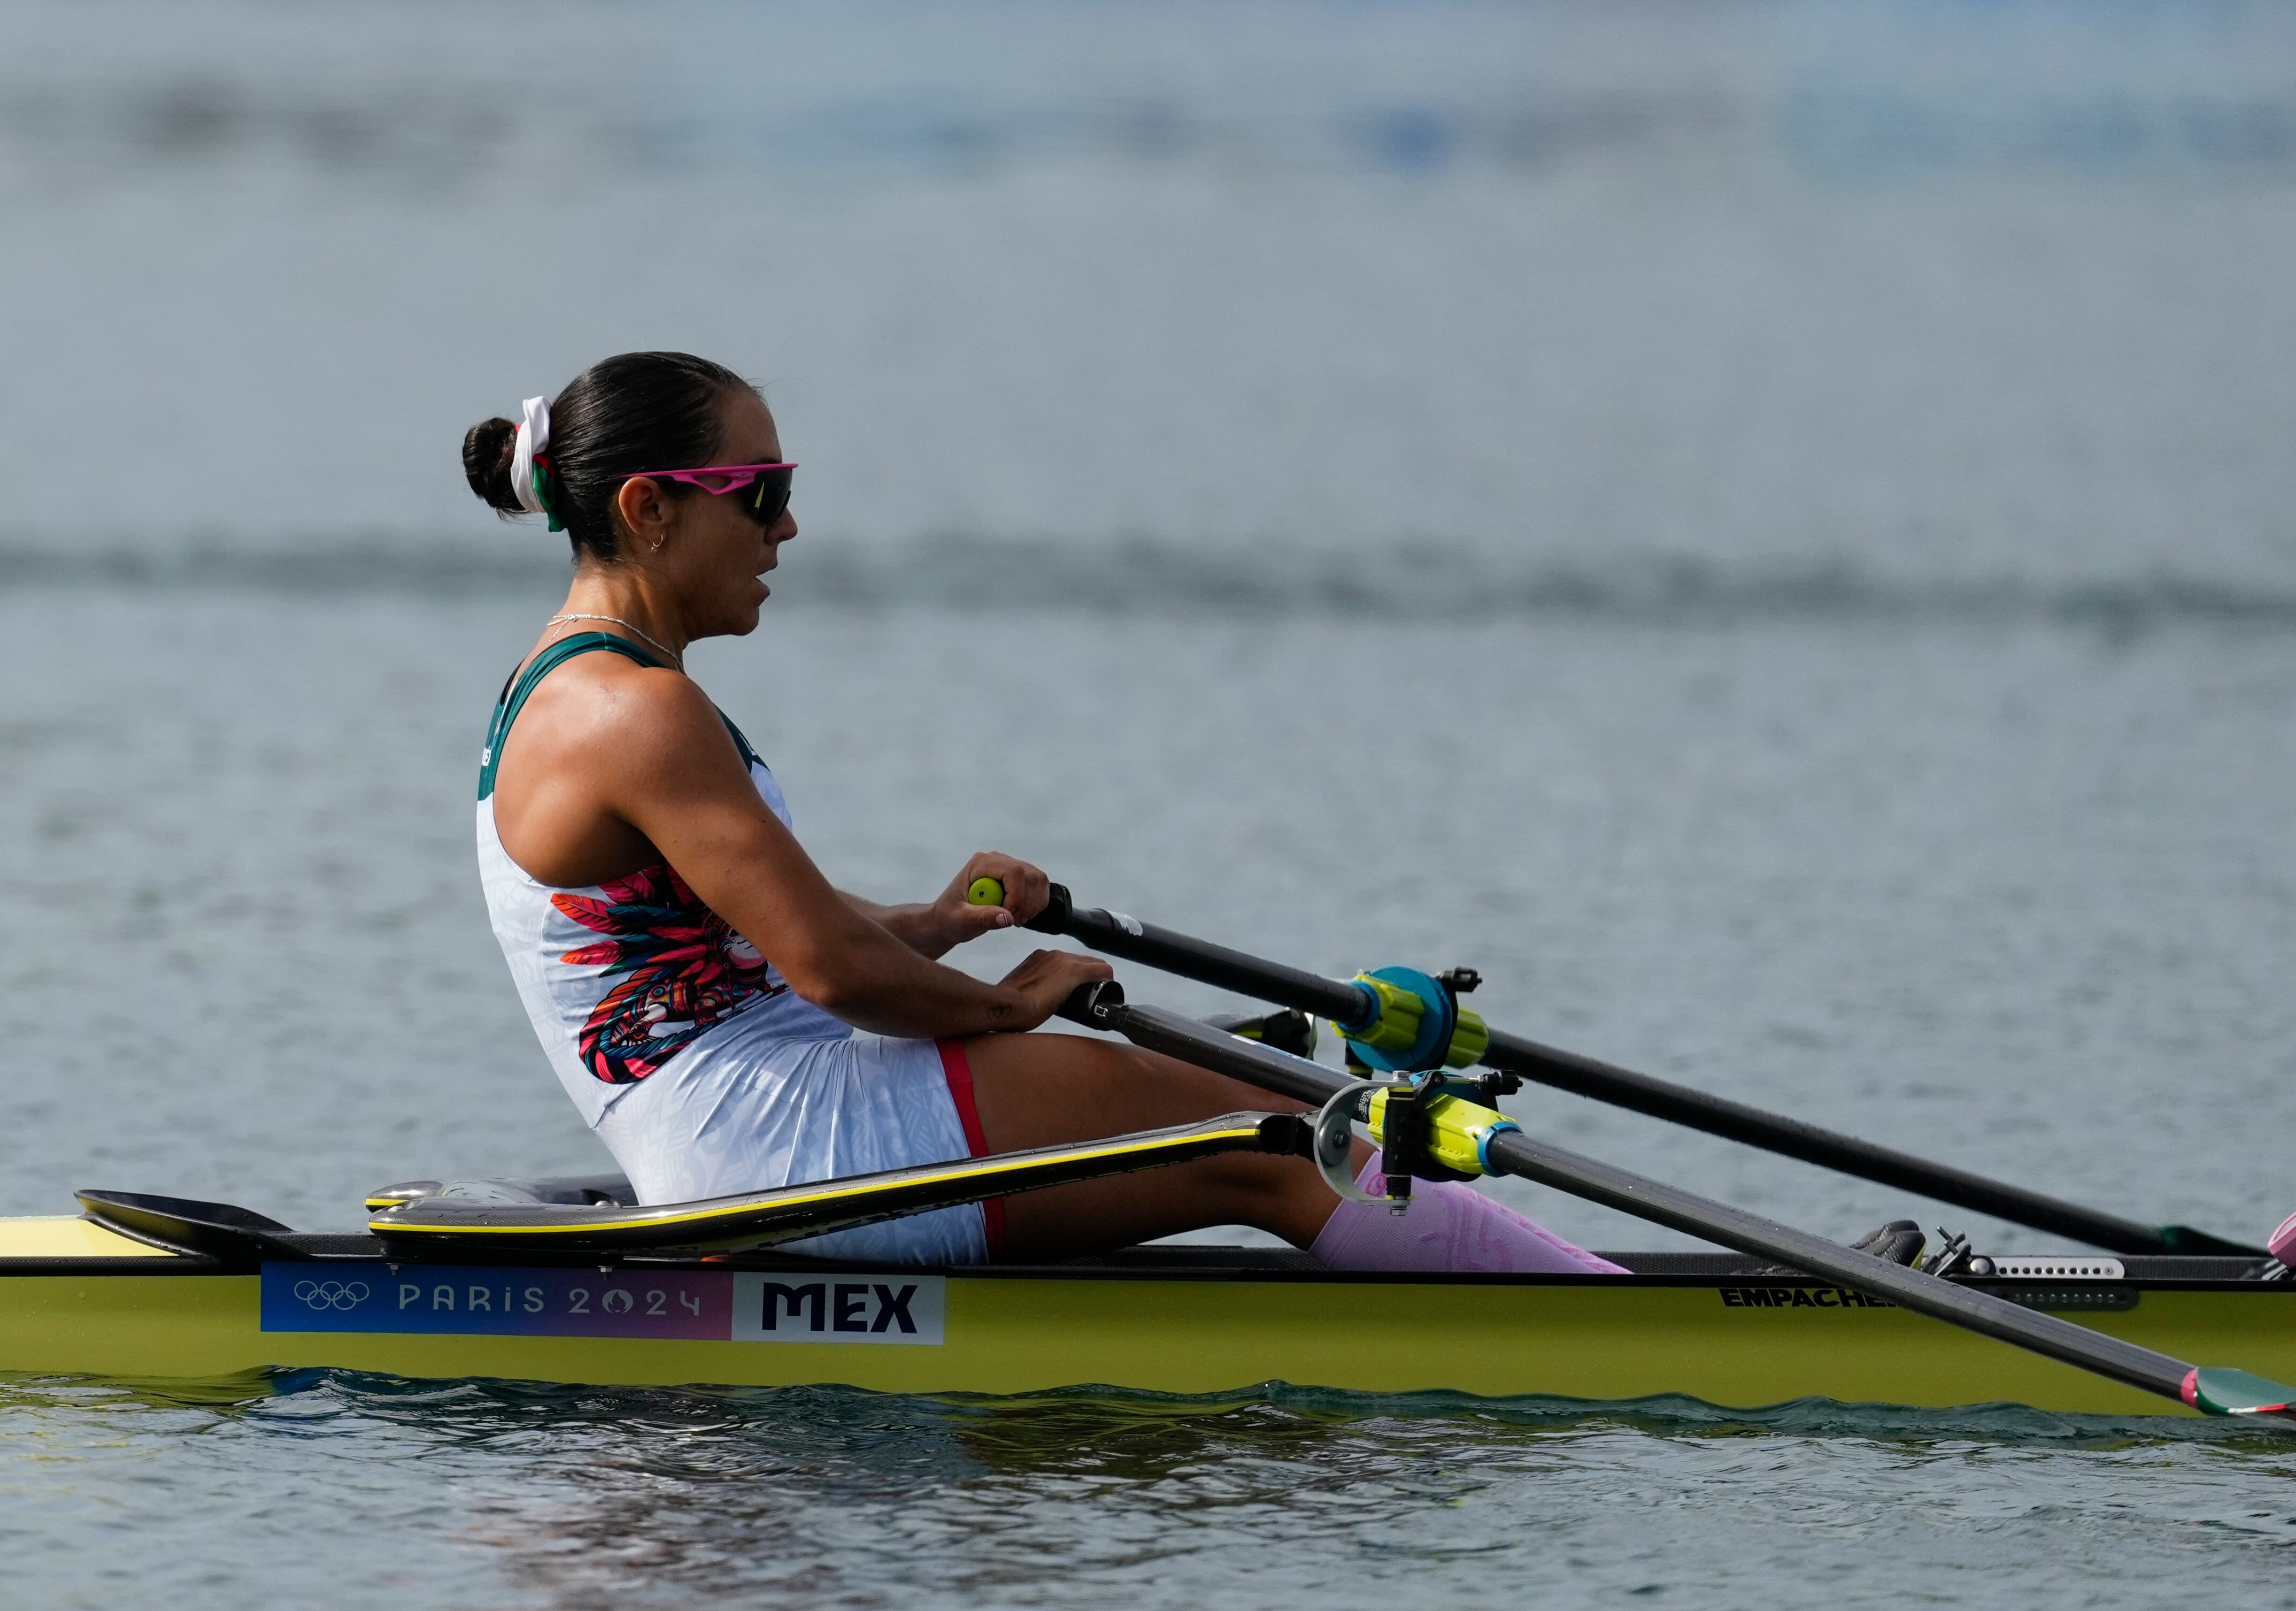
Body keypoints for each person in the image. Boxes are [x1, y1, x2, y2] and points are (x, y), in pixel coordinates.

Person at [462, 350, 1622, 1275]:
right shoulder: (636, 713)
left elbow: (752, 938)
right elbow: (825, 971)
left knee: (1253, 1112)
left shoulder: (571, 689)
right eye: (760, 494)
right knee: (1276, 1136)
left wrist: (933, 923)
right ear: (649, 509)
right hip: (779, 1148)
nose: (786, 529)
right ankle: (1602, 1329)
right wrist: (1004, 1007)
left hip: (745, 1133)